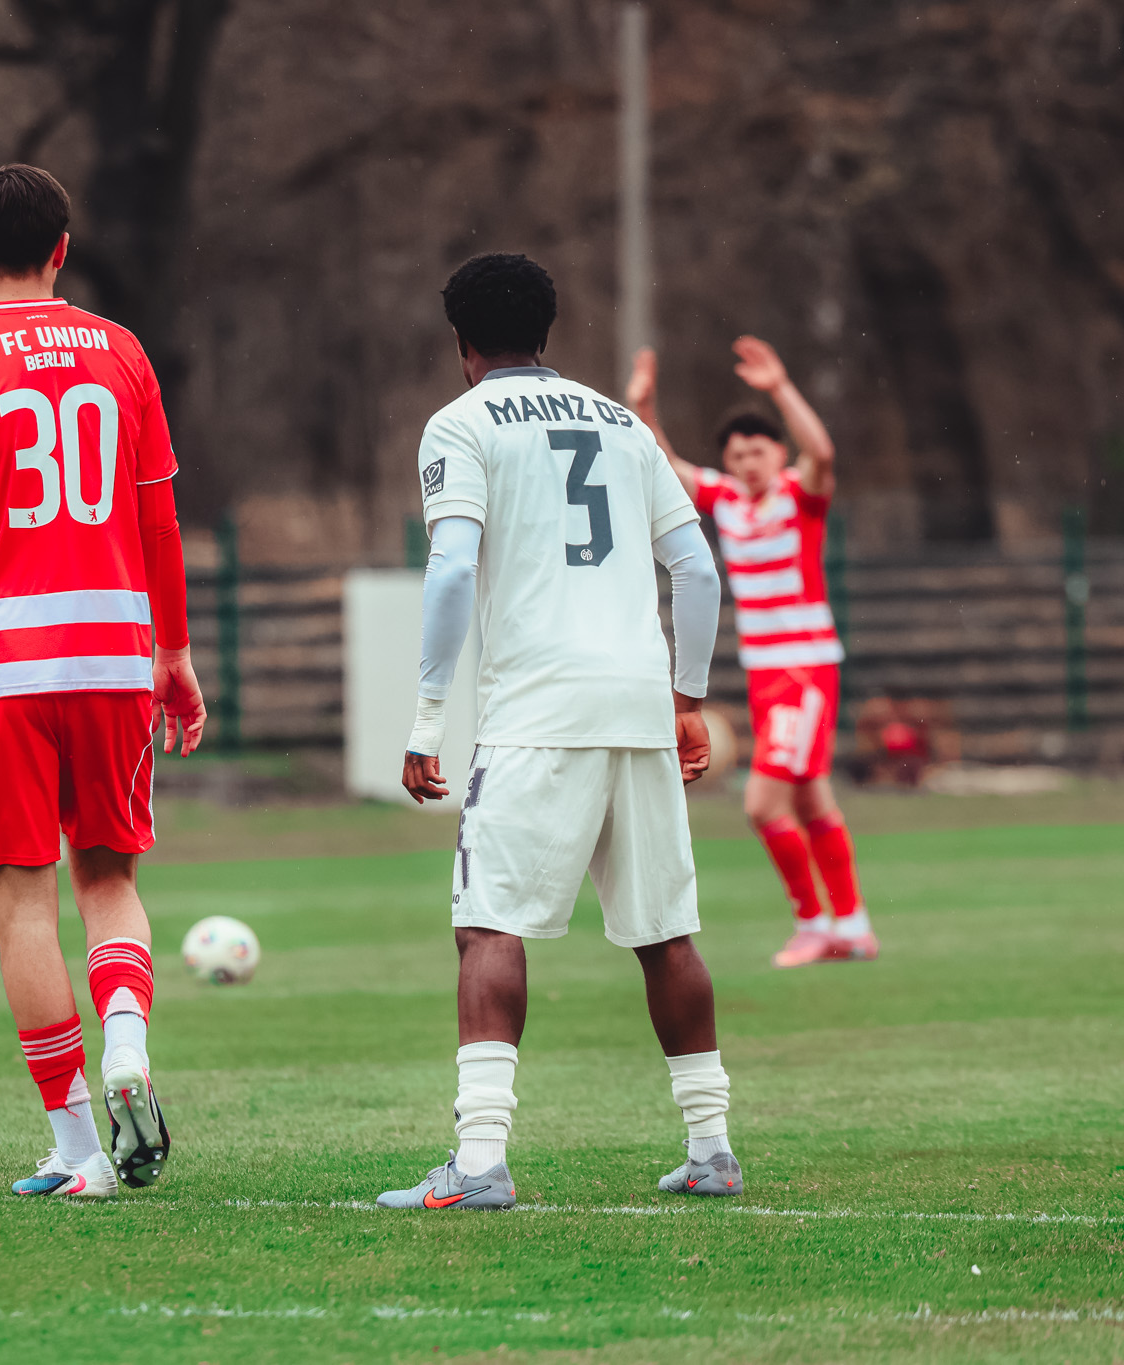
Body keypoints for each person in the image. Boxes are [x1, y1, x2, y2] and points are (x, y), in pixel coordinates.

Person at [381, 252, 737, 1211]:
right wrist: (688, 698)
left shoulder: (461, 422)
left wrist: (426, 717)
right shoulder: (622, 424)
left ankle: (479, 1162)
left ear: (462, 341)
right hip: (637, 702)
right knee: (667, 934)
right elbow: (696, 570)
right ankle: (711, 1146)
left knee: (488, 926)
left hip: (537, 710)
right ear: (546, 330)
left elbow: (453, 570)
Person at [0, 164, 206, 1199]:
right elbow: (159, 518)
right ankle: (127, 1041)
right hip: (113, 651)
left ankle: (76, 1149)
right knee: (108, 878)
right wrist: (173, 653)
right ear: (64, 248)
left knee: (22, 903)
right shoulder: (122, 351)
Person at [625, 341, 877, 968]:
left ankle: (813, 925)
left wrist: (780, 386)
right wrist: (644, 408)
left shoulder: (799, 493)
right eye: (737, 455)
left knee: (762, 805)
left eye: (758, 451)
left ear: (778, 453)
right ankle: (852, 926)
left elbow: (823, 452)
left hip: (803, 667)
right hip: (768, 673)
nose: (748, 462)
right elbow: (665, 462)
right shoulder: (727, 500)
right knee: (811, 800)